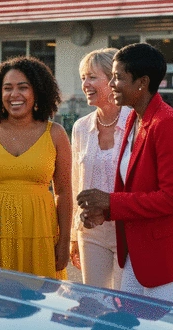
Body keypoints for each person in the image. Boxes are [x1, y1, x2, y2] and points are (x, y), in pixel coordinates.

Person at [77, 43, 173, 305]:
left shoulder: (167, 124)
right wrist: (105, 212)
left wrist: (110, 201)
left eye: (118, 77)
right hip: (138, 255)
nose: (112, 84)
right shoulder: (135, 118)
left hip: (168, 260)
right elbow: (136, 187)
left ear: (142, 82)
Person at [0, 56, 72, 279]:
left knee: (41, 301)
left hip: (39, 232)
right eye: (7, 88)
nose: (14, 95)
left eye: (23, 87)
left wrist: (64, 241)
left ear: (37, 91)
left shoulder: (56, 133)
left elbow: (64, 193)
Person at [70, 48, 131, 290]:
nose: (85, 84)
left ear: (113, 79)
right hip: (91, 232)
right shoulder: (80, 128)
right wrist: (75, 235)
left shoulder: (136, 124)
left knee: (126, 308)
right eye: (83, 77)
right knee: (94, 303)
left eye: (92, 77)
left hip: (129, 232)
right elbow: (77, 182)